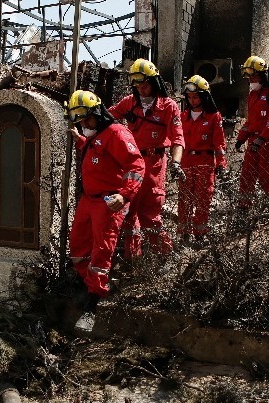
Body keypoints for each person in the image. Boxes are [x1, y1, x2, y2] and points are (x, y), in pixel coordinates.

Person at [65, 90, 145, 333]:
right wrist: (79, 139)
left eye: (87, 119)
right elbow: (96, 155)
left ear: (98, 113)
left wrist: (125, 194)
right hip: (88, 200)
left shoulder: (117, 133)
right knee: (78, 247)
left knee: (101, 253)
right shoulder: (95, 135)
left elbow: (136, 165)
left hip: (108, 201)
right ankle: (92, 286)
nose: (85, 125)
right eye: (81, 121)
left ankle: (92, 307)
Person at [108, 58, 185, 259]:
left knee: (149, 214)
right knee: (128, 210)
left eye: (145, 85)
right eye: (137, 86)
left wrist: (176, 163)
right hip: (131, 163)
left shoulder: (168, 106)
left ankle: (165, 256)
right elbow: (107, 117)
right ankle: (132, 258)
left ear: (154, 82)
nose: (141, 89)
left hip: (154, 163)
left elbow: (178, 138)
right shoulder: (129, 102)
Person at [234, 55, 269, 221]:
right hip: (254, 141)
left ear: (263, 75)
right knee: (247, 176)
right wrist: (241, 138)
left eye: (253, 76)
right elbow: (250, 121)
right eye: (249, 77)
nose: (250, 80)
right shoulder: (253, 94)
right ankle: (243, 210)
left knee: (267, 176)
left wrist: (261, 139)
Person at [172, 75, 227, 246]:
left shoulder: (214, 117)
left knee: (203, 200)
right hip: (186, 163)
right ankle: (184, 234)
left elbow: (219, 144)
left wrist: (221, 164)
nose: (192, 100)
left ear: (204, 97)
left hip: (205, 163)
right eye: (189, 97)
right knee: (185, 200)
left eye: (195, 97)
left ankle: (200, 234)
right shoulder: (182, 116)